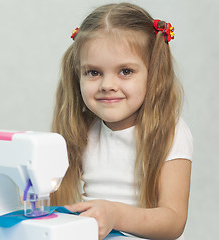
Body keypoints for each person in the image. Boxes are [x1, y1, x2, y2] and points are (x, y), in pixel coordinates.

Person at [50, 3, 193, 240]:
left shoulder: (170, 132)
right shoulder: (82, 130)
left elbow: (174, 219)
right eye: (94, 72)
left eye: (125, 71)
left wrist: (115, 215)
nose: (107, 85)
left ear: (153, 73)